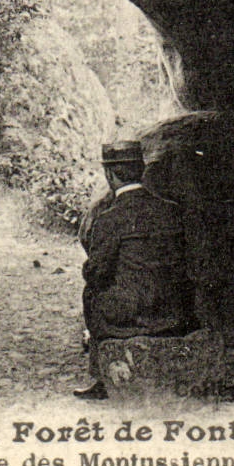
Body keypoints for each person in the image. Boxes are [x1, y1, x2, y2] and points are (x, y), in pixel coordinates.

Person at [73, 140, 195, 399]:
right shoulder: (172, 210)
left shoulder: (110, 218)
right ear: (141, 171)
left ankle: (101, 376)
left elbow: (97, 273)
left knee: (91, 293)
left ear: (110, 175)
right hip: (175, 308)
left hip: (132, 312)